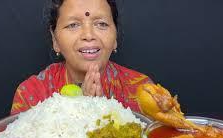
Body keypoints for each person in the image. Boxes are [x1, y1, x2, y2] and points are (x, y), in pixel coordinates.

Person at [11, 0, 153, 115]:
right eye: (73, 25)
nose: (88, 35)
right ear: (55, 40)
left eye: (101, 24)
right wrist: (82, 112)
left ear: (115, 36)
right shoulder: (31, 95)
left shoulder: (144, 92)